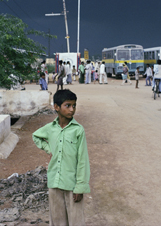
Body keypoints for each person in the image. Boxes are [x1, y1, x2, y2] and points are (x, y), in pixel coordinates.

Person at [32, 90, 90, 225]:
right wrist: (49, 149)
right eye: (68, 105)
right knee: (57, 219)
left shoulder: (78, 130)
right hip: (54, 181)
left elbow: (83, 161)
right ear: (56, 107)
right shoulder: (50, 128)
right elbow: (36, 136)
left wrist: (80, 187)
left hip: (72, 183)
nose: (72, 110)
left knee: (76, 220)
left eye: (74, 106)